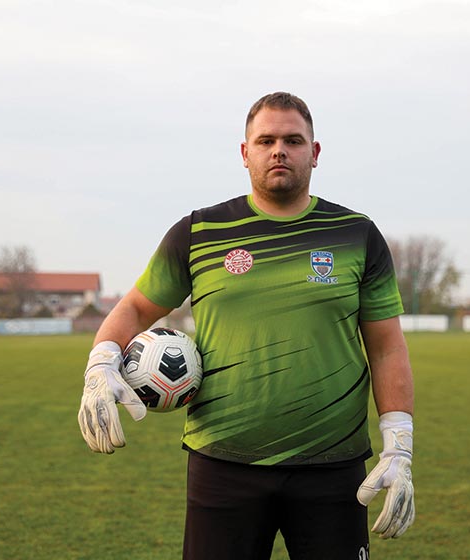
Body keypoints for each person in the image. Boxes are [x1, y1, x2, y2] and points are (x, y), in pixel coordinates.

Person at [78, 92, 415, 559]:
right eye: (266, 140)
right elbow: (135, 307)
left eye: (293, 140)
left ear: (314, 153)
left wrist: (399, 444)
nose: (279, 151)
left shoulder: (356, 234)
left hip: (332, 464)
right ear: (245, 152)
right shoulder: (199, 232)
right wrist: (100, 362)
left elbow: (386, 347)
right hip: (222, 463)